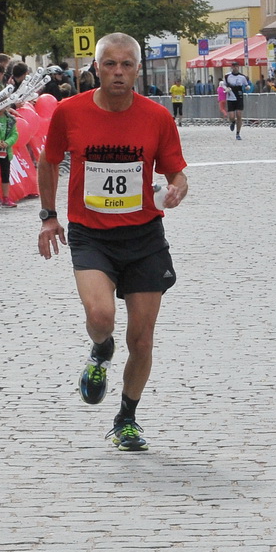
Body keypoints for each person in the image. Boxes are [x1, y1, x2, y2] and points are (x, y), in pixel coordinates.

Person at [36, 33, 189, 453]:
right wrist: (49, 217)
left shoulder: (157, 117)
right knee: (101, 315)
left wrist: (177, 189)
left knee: (141, 338)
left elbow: (176, 172)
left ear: (138, 69)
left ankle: (126, 418)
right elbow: (48, 162)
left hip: (143, 236)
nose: (118, 72)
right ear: (96, 68)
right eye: (109, 64)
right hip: (92, 234)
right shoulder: (69, 112)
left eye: (126, 65)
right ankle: (100, 349)